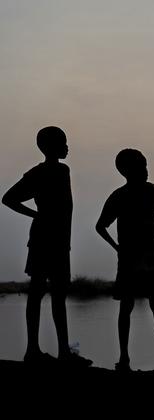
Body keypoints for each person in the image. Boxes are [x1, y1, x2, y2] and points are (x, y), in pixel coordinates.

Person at [2, 126, 92, 367]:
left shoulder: (61, 170)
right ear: (50, 146)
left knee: (54, 295)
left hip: (59, 241)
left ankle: (59, 351)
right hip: (45, 240)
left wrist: (39, 217)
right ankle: (35, 350)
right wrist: (37, 215)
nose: (67, 146)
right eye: (63, 142)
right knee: (39, 293)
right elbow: (8, 198)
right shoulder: (43, 172)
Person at [96, 148, 154, 371]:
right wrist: (118, 247)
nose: (146, 171)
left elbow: (152, 218)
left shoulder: (150, 190)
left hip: (150, 257)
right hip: (130, 259)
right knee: (127, 306)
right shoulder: (118, 196)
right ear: (126, 171)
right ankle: (125, 359)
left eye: (146, 166)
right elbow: (100, 226)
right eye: (141, 167)